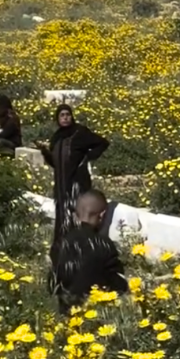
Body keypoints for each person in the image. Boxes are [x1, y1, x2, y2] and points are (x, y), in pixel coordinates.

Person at [43, 103, 109, 258]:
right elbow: (56, 164)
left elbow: (102, 143)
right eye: (62, 115)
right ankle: (62, 252)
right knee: (63, 217)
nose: (65, 118)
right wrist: (45, 153)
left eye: (68, 115)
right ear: (57, 119)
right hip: (61, 186)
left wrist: (87, 158)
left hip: (77, 185)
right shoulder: (57, 137)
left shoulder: (80, 133)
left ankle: (82, 251)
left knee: (79, 216)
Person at [50, 189, 129, 314]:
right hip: (95, 309)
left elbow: (53, 280)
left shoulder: (61, 242)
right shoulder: (105, 244)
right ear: (102, 215)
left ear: (75, 216)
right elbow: (119, 284)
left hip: (65, 309)